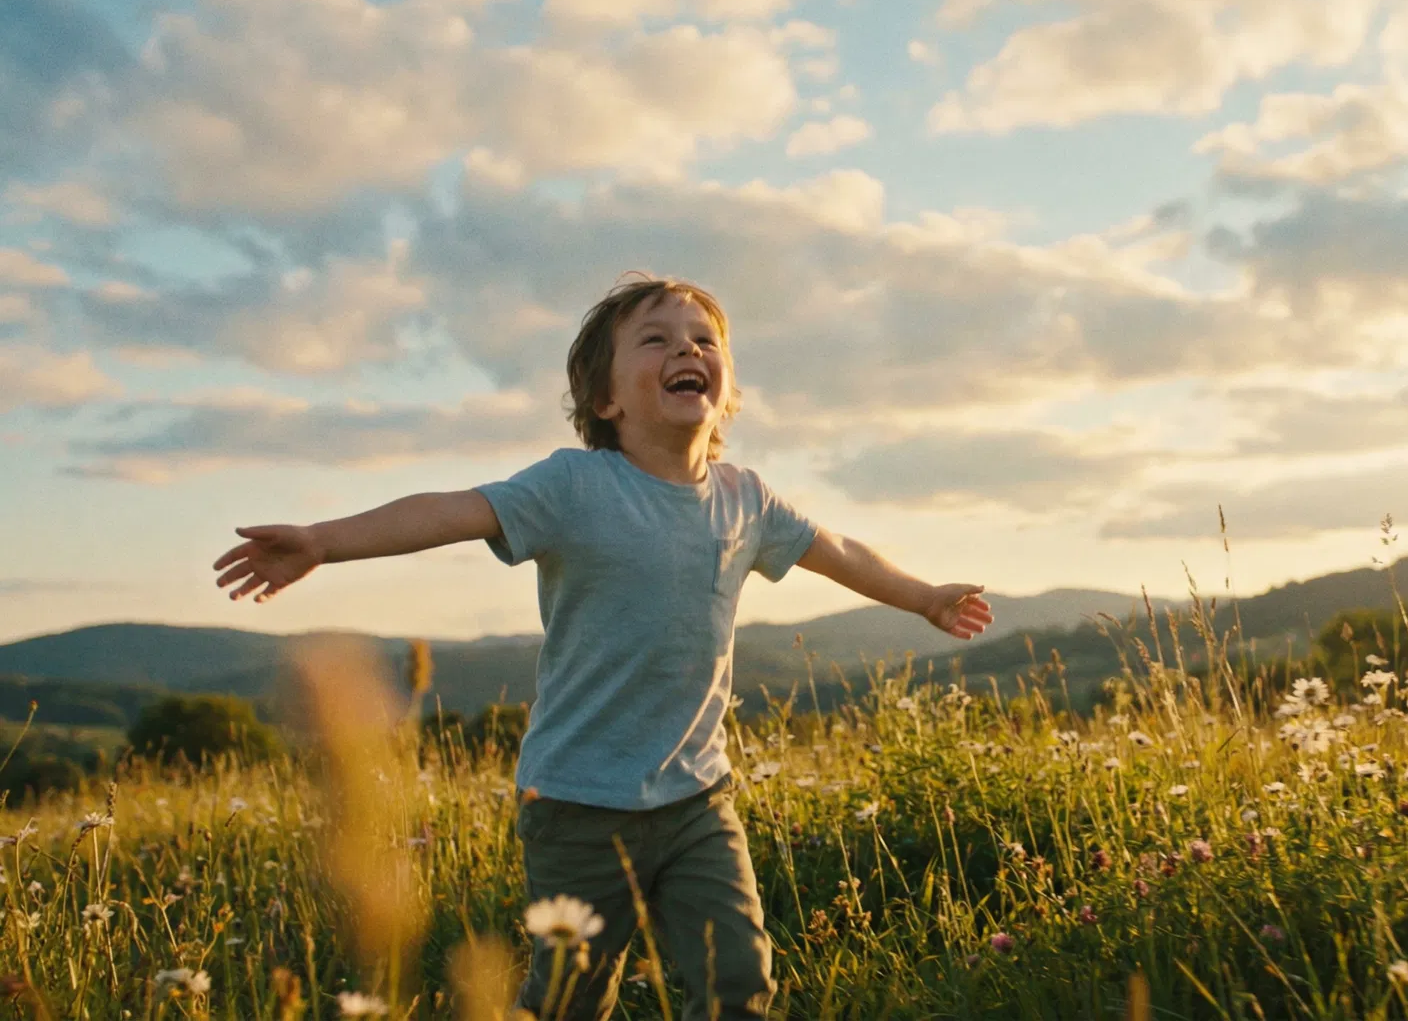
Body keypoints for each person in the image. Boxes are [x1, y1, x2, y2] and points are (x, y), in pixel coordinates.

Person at [211, 275, 994, 1019]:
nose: (687, 351)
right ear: (606, 398)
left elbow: (840, 549)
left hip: (697, 799)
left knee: (737, 979)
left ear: (726, 389)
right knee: (573, 998)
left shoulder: (745, 499)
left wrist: (923, 596)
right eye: (656, 340)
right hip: (578, 805)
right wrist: (323, 540)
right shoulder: (574, 488)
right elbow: (450, 510)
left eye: (703, 340)